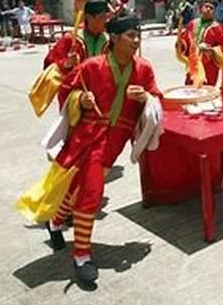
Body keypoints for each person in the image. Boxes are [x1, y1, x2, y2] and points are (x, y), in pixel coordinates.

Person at [24, 15, 161, 285]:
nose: (136, 40)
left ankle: (56, 222)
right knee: (91, 192)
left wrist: (146, 98)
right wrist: (81, 100)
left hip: (115, 141)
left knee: (76, 189)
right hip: (87, 137)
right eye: (130, 35)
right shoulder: (91, 67)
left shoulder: (144, 69)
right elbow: (67, 91)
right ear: (115, 38)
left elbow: (158, 97)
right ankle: (82, 256)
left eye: (138, 35)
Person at [44, 0, 110, 75]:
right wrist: (66, 63)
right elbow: (49, 64)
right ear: (88, 17)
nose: (106, 21)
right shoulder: (71, 39)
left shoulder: (109, 41)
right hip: (75, 84)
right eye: (102, 17)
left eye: (107, 17)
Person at [179, 0, 223, 87]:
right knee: (190, 88)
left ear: (214, 12)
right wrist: (180, 44)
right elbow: (185, 41)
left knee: (207, 90)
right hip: (193, 63)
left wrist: (210, 50)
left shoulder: (219, 28)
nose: (208, 9)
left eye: (211, 8)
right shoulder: (192, 24)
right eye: (206, 6)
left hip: (209, 65)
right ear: (200, 9)